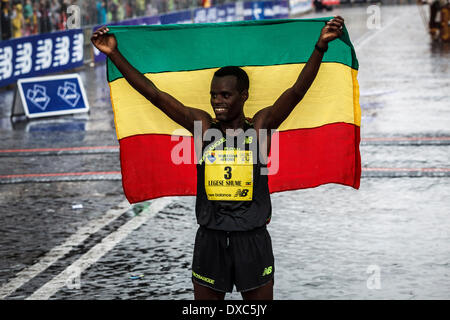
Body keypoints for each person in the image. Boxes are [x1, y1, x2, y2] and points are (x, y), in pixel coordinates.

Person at [91, 16, 345, 300]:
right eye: (214, 95)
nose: (217, 101)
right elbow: (155, 95)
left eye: (225, 95)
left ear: (244, 95)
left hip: (252, 238)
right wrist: (114, 53)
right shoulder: (202, 126)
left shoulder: (260, 127)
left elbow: (297, 91)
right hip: (210, 238)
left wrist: (320, 47)